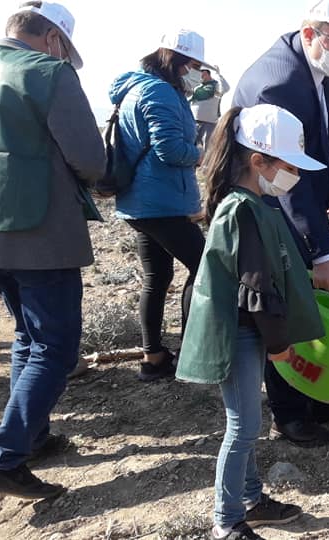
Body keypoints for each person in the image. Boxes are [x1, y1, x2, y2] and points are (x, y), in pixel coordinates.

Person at [0, 1, 105, 499]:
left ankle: (33, 436)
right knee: (56, 347)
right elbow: (89, 159)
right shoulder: (50, 72)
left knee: (29, 334)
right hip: (40, 231)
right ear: (54, 39)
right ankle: (3, 458)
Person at [177, 104, 326, 540]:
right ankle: (226, 521)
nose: (294, 175)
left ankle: (252, 498)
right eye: (288, 165)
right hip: (241, 332)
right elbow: (257, 290)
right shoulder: (242, 210)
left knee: (248, 419)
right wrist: (279, 344)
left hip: (250, 330)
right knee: (242, 426)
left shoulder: (254, 203)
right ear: (258, 161)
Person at [233, 0, 329, 446]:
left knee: (312, 301)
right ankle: (290, 410)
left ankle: (324, 396)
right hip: (269, 206)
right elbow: (282, 176)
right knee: (284, 305)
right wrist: (323, 251)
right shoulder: (277, 82)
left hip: (306, 197)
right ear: (309, 33)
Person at [108, 29, 211, 382]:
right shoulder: (159, 92)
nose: (196, 72)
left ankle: (154, 358)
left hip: (142, 202)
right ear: (176, 61)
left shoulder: (140, 87)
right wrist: (202, 154)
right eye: (194, 65)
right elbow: (170, 150)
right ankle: (190, 352)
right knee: (204, 268)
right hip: (162, 203)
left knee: (157, 277)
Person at [191, 67, 230, 153]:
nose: (201, 76)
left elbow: (226, 88)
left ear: (208, 74)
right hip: (194, 121)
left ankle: (206, 165)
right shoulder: (197, 87)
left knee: (208, 147)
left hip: (209, 122)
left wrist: (218, 75)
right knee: (191, 143)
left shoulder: (216, 86)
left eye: (203, 73)